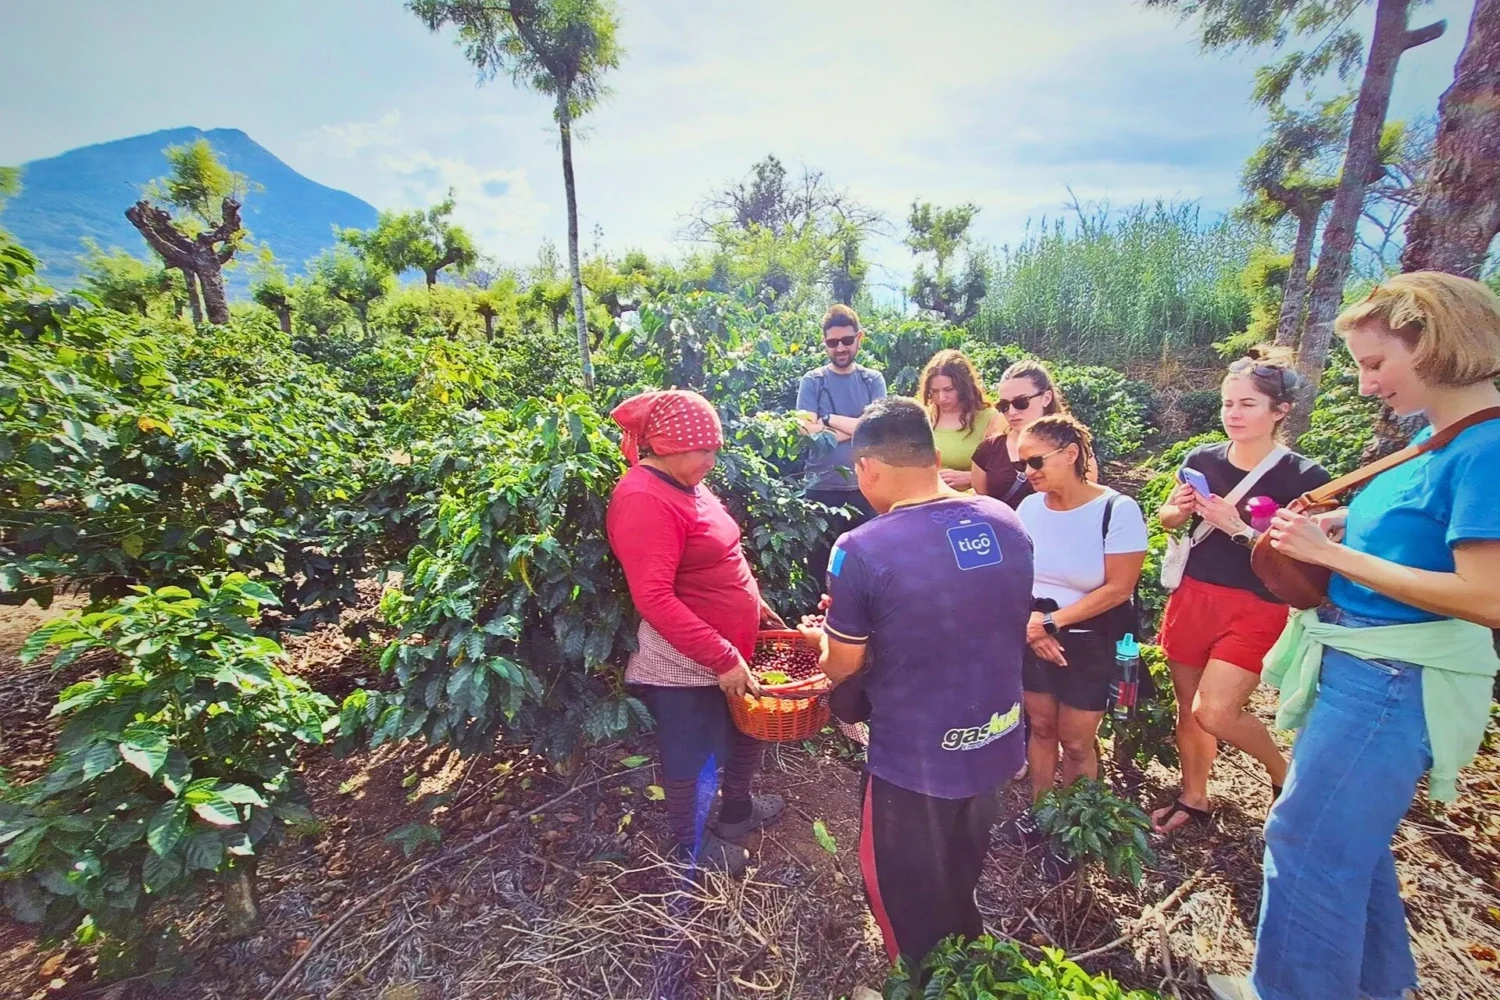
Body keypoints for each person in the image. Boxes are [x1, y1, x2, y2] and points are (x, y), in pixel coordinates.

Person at [1206, 272, 1500, 1000]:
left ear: (1434, 342)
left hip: (1393, 677)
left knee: (1305, 842)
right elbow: (1424, 537)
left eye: (1375, 363)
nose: (1367, 386)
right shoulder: (1439, 439)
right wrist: (1348, 525)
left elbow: (1487, 596)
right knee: (1348, 846)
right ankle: (1371, 985)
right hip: (1370, 667)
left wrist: (1332, 556)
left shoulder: (1485, 448)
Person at [795, 397, 1033, 970]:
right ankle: (967, 968)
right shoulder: (1006, 520)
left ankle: (924, 981)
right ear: (932, 455)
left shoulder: (860, 548)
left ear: (866, 468)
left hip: (913, 759)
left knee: (904, 900)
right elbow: (972, 616)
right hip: (995, 738)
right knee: (959, 874)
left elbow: (841, 666)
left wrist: (820, 639)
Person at [605, 390, 788, 876]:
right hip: (685, 656)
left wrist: (755, 603)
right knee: (690, 754)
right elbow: (654, 598)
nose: (711, 461)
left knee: (749, 727)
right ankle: (690, 846)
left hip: (728, 645)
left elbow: (721, 552)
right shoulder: (643, 499)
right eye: (701, 450)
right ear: (666, 445)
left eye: (714, 450)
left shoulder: (688, 483)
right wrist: (720, 655)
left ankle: (737, 810)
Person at [1150, 352, 1329, 836]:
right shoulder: (1201, 460)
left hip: (1257, 605)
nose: (1233, 413)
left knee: (1215, 711)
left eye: (1247, 404)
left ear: (1280, 410)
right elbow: (1167, 518)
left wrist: (1239, 529)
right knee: (1189, 707)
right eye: (1228, 403)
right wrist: (1179, 509)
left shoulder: (1306, 478)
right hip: (1193, 595)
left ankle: (1282, 772)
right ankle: (1194, 796)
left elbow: (1309, 556)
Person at [1000, 415, 1147, 872]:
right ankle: (1043, 813)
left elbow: (1118, 588)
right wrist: (1033, 625)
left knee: (1078, 742)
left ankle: (1074, 827)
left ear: (1070, 454)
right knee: (1042, 728)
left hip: (1089, 642)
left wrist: (1050, 624)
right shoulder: (1029, 508)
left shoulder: (1116, 510)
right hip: (1034, 634)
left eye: (1036, 461)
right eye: (1022, 465)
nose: (1028, 473)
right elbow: (1014, 572)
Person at [796, 305, 887, 583]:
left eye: (847, 340)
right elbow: (806, 431)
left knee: (867, 570)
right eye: (833, 342)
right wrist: (859, 425)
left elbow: (878, 429)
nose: (840, 348)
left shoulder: (872, 379)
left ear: (859, 338)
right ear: (824, 342)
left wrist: (828, 419)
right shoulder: (813, 380)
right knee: (819, 571)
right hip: (820, 489)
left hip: (866, 490)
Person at [972, 359, 1082, 506]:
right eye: (1004, 405)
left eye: (1021, 402)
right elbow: (985, 510)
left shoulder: (1073, 450)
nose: (1012, 412)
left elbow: (1082, 506)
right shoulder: (988, 451)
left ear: (1046, 398)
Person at [917, 349, 998, 491]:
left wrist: (970, 477)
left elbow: (1003, 472)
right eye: (935, 391)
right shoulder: (922, 417)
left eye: (948, 390)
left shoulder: (989, 418)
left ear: (964, 387)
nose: (942, 398)